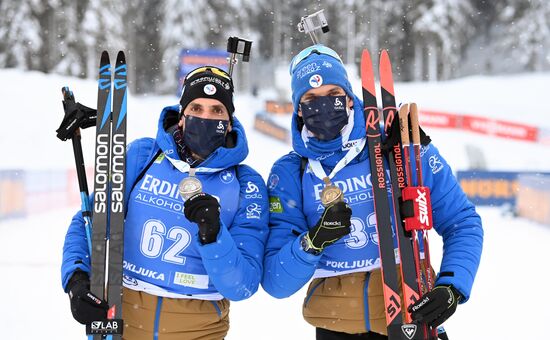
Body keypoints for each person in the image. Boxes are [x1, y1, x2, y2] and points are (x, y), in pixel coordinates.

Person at [261, 45, 483, 340]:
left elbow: (462, 222)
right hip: (334, 327)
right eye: (311, 99)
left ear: (351, 100)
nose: (323, 107)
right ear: (298, 108)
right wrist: (312, 243)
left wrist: (453, 286)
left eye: (333, 96)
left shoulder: (398, 145)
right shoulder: (290, 172)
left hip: (411, 318)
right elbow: (277, 282)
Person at [61, 66, 269, 340]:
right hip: (124, 324)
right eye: (196, 108)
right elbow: (91, 217)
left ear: (229, 122)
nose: (205, 118)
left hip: (199, 332)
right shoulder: (143, 156)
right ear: (182, 116)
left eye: (217, 110)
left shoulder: (246, 183)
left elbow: (243, 285)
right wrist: (76, 279)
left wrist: (213, 235)